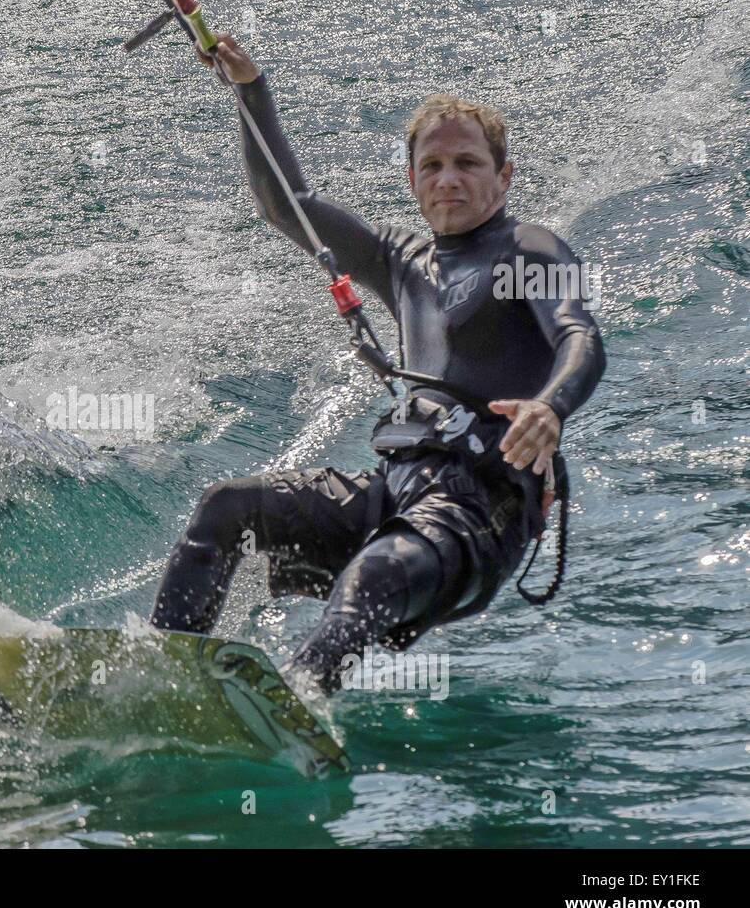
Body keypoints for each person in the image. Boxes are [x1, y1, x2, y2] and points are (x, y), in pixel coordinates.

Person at [149, 35, 607, 693]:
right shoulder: (402, 260)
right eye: (433, 164)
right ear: (412, 179)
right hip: (393, 493)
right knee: (227, 510)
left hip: (480, 512)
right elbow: (289, 207)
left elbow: (579, 336)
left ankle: (297, 702)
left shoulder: (529, 251)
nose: (449, 178)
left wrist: (551, 405)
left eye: (469, 163)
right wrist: (251, 89)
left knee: (375, 575)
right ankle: (164, 680)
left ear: (503, 177)